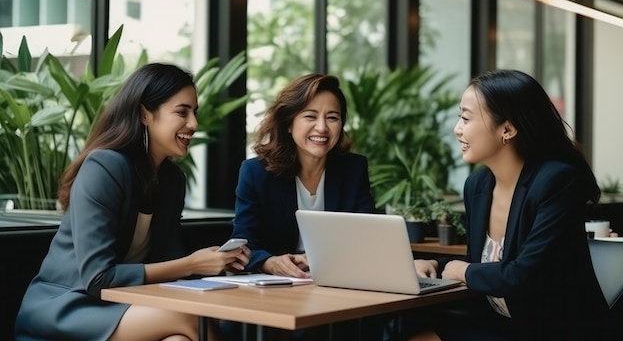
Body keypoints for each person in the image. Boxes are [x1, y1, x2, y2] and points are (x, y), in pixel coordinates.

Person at [14, 63, 250, 341]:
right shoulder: (104, 166)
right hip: (68, 307)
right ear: (144, 114)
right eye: (182, 112)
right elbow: (98, 278)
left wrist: (216, 262)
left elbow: (169, 263)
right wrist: (192, 264)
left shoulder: (172, 180)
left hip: (127, 306)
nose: (194, 124)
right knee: (189, 316)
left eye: (194, 112)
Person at [408, 69, 610, 341]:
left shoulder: (557, 182)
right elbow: (485, 263)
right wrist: (436, 263)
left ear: (507, 129)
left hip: (557, 331)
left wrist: (463, 270)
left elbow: (523, 274)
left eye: (466, 118)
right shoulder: (478, 186)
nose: (457, 129)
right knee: (409, 331)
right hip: (501, 326)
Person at [231, 73, 375, 278]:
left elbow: (369, 237)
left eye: (332, 117)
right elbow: (242, 245)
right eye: (310, 116)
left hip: (339, 279)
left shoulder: (353, 169)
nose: (322, 127)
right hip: (280, 286)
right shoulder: (256, 173)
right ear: (289, 123)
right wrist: (270, 263)